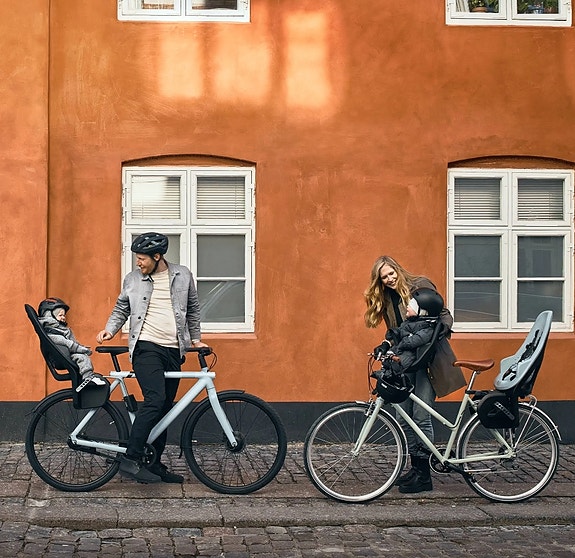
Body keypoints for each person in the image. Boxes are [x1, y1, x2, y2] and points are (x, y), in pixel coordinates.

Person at [96, 232, 208, 484]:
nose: (138, 262)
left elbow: (193, 309)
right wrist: (110, 329)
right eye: (137, 258)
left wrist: (196, 340)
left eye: (142, 258)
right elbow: (122, 308)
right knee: (155, 400)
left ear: (157, 257)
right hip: (146, 348)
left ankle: (153, 463)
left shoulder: (183, 275)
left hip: (174, 350)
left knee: (164, 409)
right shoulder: (133, 279)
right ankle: (130, 458)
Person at [364, 255, 453, 494]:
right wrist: (386, 345)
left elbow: (444, 314)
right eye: (384, 277)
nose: (389, 279)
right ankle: (416, 468)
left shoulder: (419, 286)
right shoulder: (388, 299)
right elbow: (397, 332)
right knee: (404, 417)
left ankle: (425, 476)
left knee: (421, 415)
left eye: (391, 273)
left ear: (398, 269)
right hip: (406, 363)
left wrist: (435, 333)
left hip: (427, 361)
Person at [38, 297, 107, 391]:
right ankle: (88, 378)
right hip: (61, 357)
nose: (63, 317)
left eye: (64, 315)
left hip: (66, 354)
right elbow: (67, 343)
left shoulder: (61, 329)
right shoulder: (52, 333)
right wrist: (81, 349)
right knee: (82, 358)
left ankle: (87, 378)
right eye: (60, 315)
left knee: (83, 357)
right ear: (49, 316)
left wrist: (81, 347)